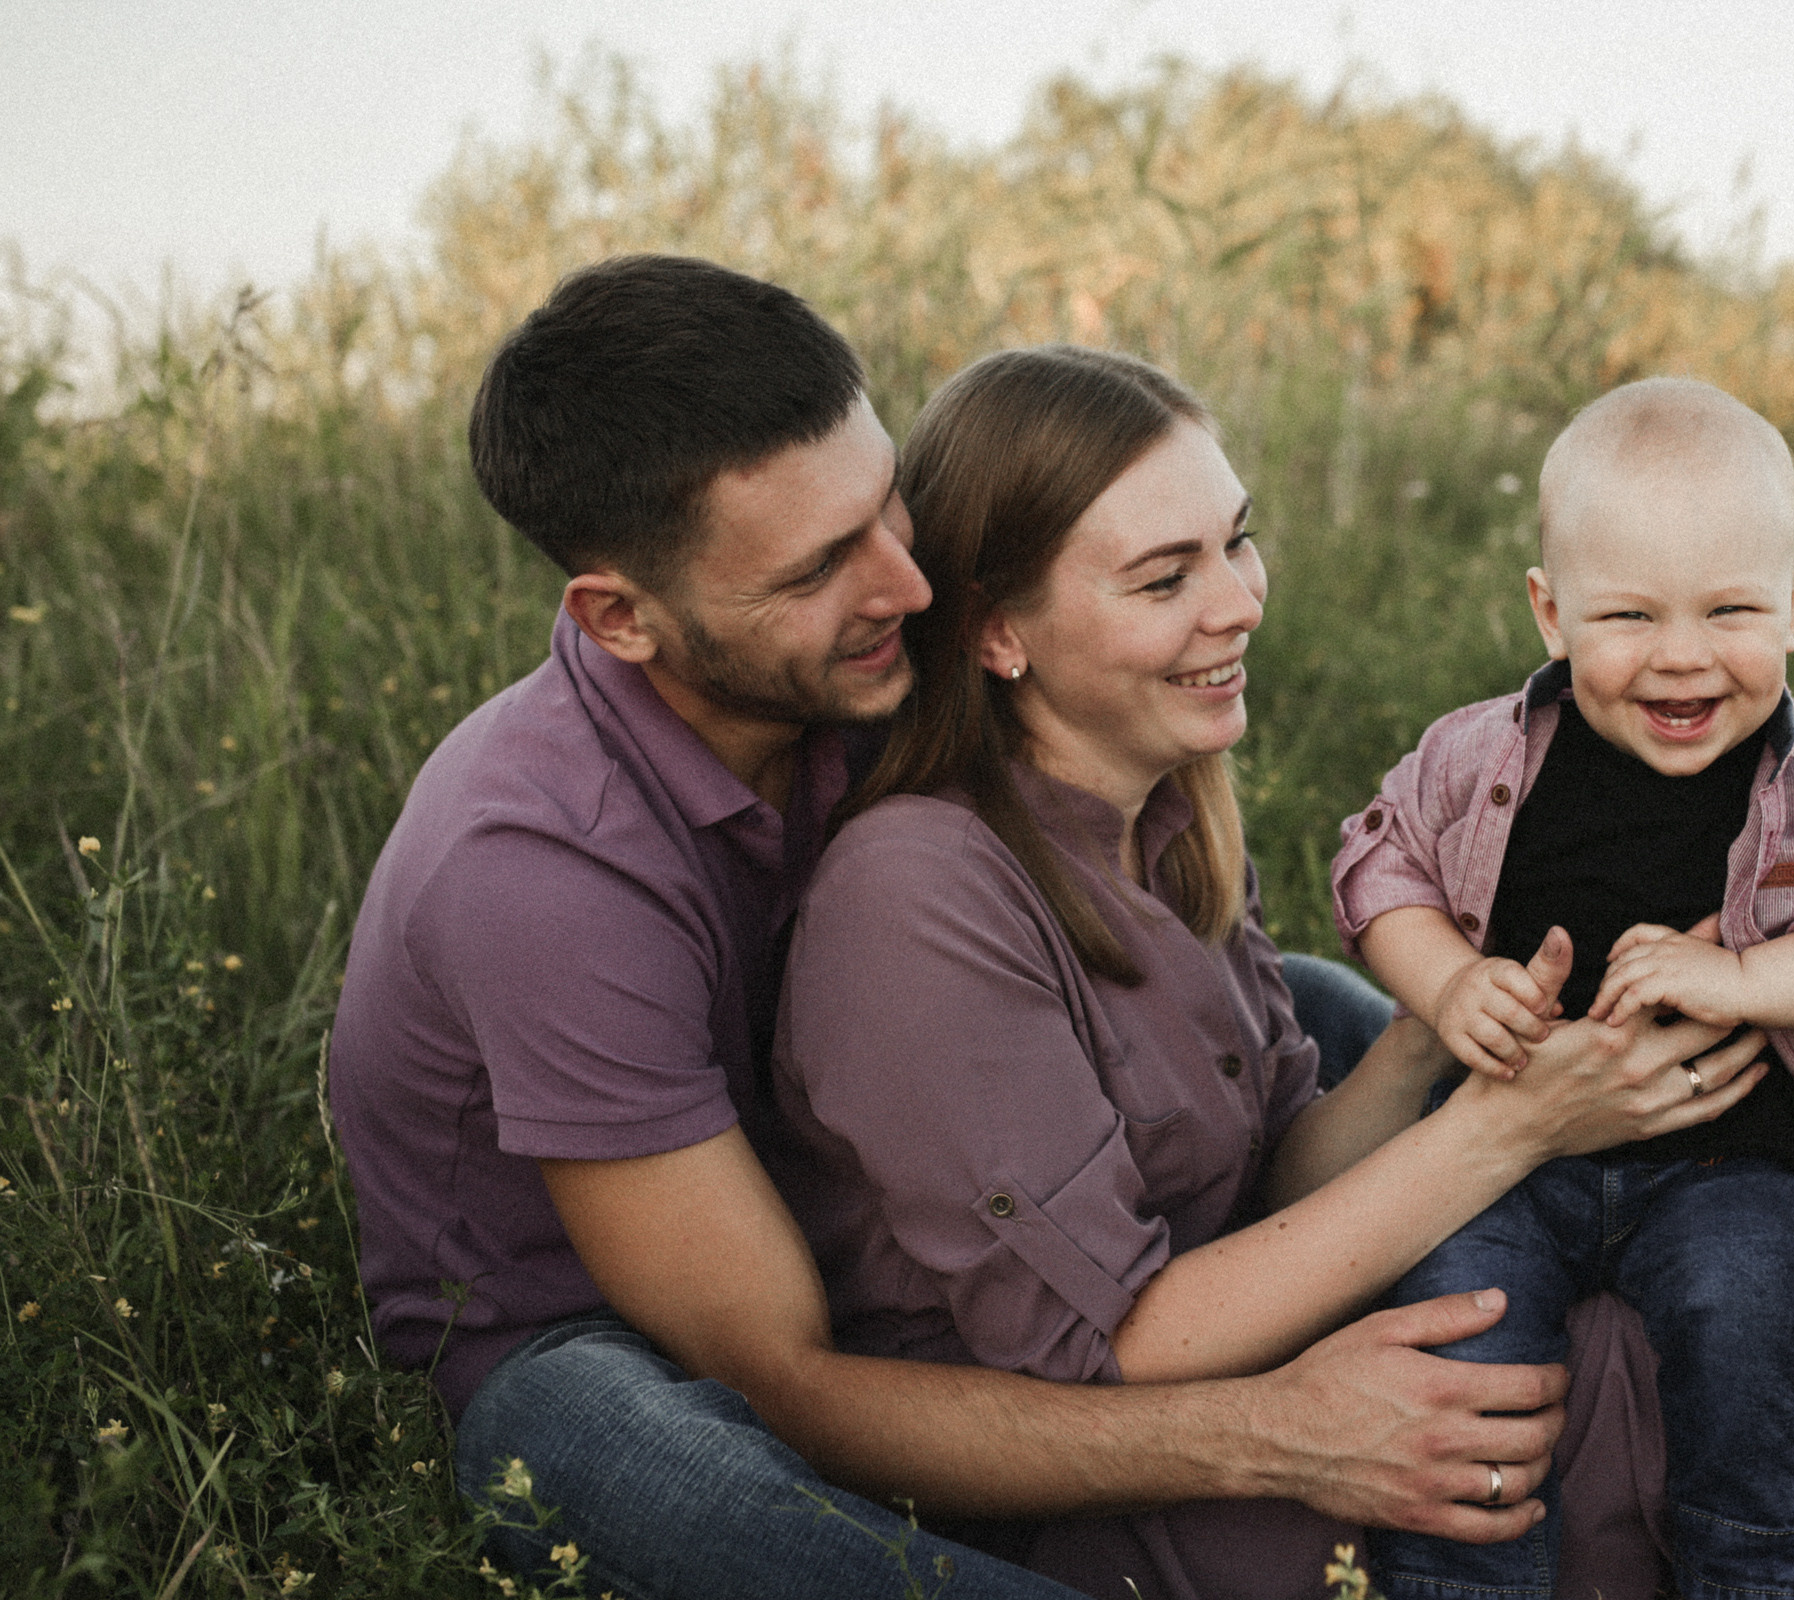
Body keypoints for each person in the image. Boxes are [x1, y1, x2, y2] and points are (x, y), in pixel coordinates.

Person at [776, 340, 1794, 1600]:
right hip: (1160, 1492)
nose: (1241, 603)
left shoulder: (1164, 824)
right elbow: (1115, 1357)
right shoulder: (923, 893)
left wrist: (1443, 1031)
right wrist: (1520, 1127)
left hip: (1313, 1323)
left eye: (1238, 541)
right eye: (1165, 577)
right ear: (998, 630)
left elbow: (1278, 1182)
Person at [327, 255, 1712, 1599]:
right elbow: (784, 1374)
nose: (909, 588)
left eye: (888, 509)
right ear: (621, 618)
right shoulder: (541, 874)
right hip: (609, 1321)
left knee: (1345, 1006)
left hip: (868, 1158)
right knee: (636, 1452)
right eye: (819, 568)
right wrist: (1275, 1431)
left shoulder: (864, 689)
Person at [1331, 378, 1794, 1600]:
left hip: (1729, 1163)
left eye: (1730, 609)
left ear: (1793, 602)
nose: (1682, 655)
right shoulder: (1481, 755)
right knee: (1461, 1336)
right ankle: (1464, 1579)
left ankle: (1751, 1571)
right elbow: (1379, 862)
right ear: (1551, 611)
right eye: (1629, 614)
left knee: (1754, 1327)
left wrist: (1744, 976)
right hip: (1506, 1158)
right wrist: (1450, 980)